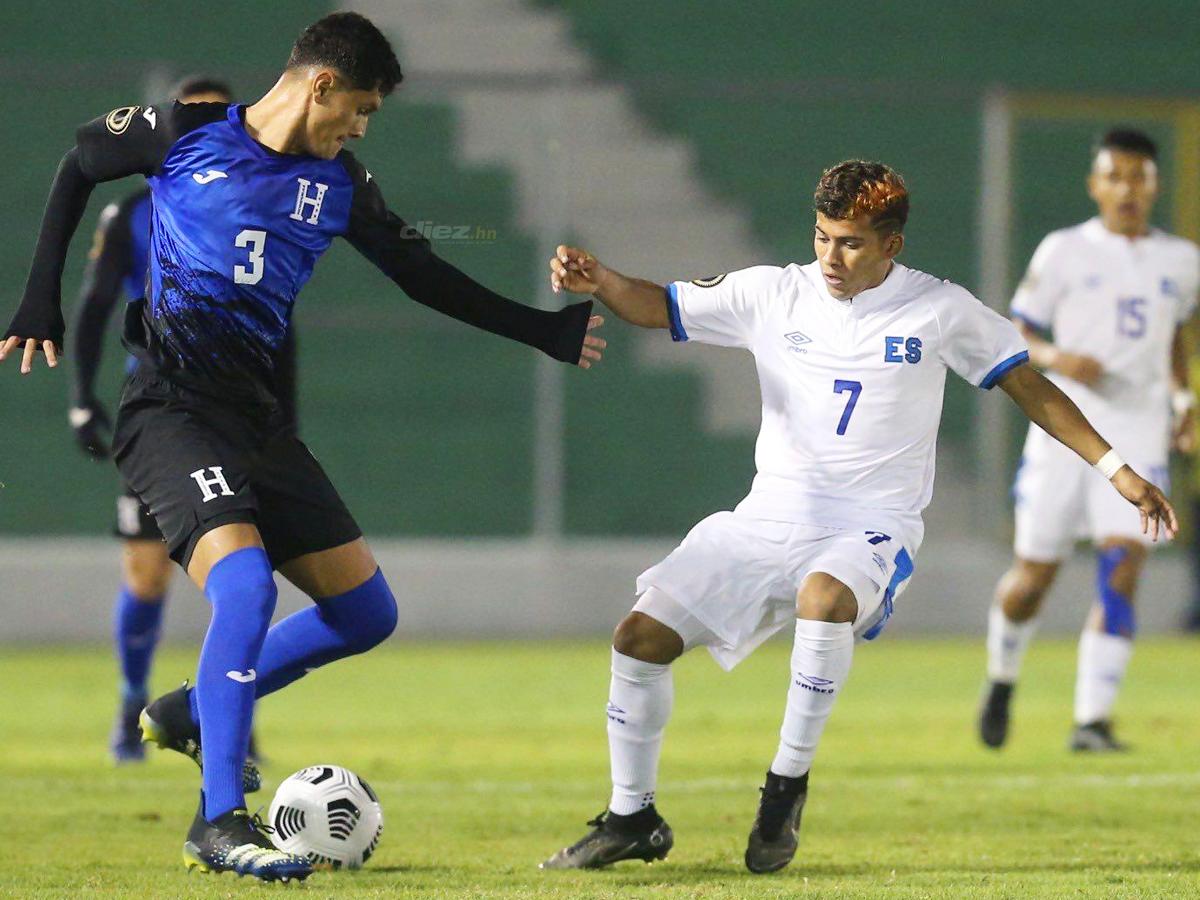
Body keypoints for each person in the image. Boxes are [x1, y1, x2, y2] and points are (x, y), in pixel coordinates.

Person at [2, 12, 604, 883]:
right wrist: (38, 302)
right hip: (171, 410)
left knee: (367, 615)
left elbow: (420, 270)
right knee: (243, 586)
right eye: (359, 108)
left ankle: (190, 712)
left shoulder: (342, 184)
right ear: (320, 85)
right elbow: (77, 163)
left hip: (258, 423)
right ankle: (217, 821)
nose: (360, 128)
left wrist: (539, 331)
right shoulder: (186, 133)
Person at [538, 160, 1175, 874]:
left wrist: (1119, 469)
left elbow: (1030, 387)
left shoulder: (940, 310)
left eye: (849, 243)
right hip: (767, 516)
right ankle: (632, 817)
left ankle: (785, 789)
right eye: (821, 237)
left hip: (872, 523)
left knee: (825, 597)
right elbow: (658, 305)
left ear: (891, 247)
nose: (830, 258)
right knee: (638, 638)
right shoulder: (774, 292)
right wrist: (602, 281)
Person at [65, 76, 287, 767]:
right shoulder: (134, 212)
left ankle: (223, 712)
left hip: (242, 410)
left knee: (247, 577)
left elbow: (285, 328)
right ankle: (135, 699)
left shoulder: (266, 200)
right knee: (147, 576)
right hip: (164, 411)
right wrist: (81, 395)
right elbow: (97, 302)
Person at [978, 129, 1199, 752]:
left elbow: (1176, 337)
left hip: (1139, 428)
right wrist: (1055, 357)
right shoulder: (1065, 250)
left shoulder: (1182, 261)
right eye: (1116, 176)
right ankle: (1001, 678)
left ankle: (1091, 720)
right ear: (1095, 184)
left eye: (1140, 177)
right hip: (1064, 426)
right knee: (1034, 576)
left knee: (1123, 565)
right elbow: (1018, 325)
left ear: (1156, 185)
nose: (1128, 188)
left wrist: (1184, 402)